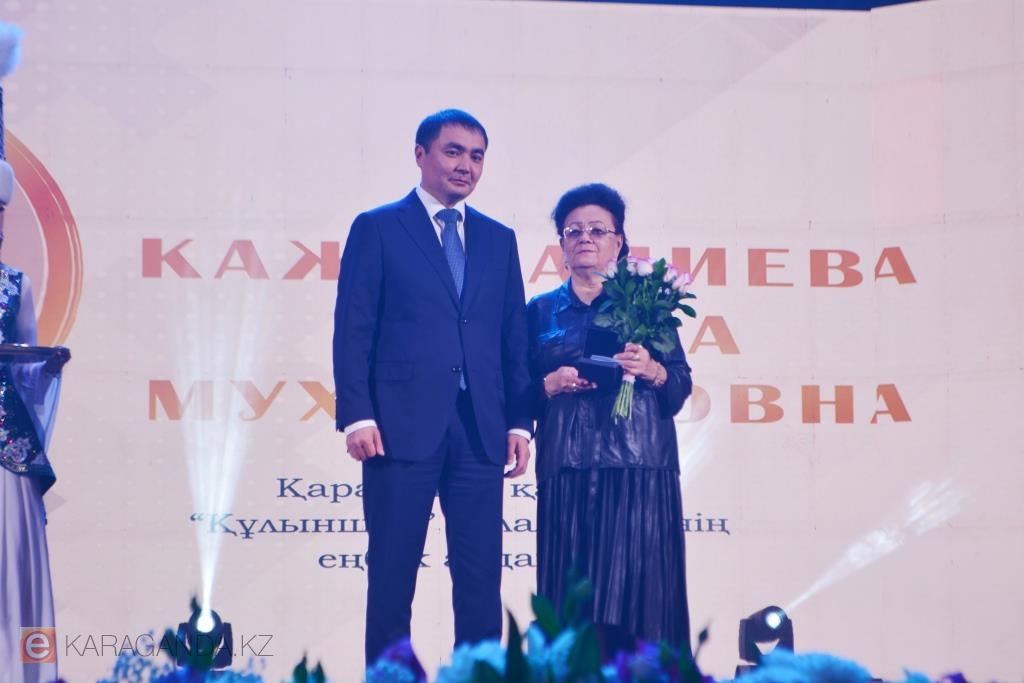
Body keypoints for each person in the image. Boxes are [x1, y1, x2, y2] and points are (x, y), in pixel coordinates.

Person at [333, 109, 533, 665]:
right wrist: (357, 414)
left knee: (480, 580)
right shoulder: (378, 227)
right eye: (453, 151)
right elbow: (353, 326)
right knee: (392, 576)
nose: (466, 165)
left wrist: (520, 422)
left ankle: (479, 676)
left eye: (477, 155)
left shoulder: (498, 239)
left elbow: (513, 335)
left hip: (480, 430)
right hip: (398, 428)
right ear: (420, 155)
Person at [527, 183, 693, 654]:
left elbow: (680, 385)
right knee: (572, 603)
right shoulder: (539, 312)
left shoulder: (649, 305)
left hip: (640, 468)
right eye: (573, 230)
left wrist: (652, 368)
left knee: (644, 601)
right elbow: (514, 394)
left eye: (597, 230)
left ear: (618, 242)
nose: (585, 237)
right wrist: (548, 384)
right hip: (568, 467)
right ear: (561, 245)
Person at [0, 156, 70, 683]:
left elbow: (26, 367)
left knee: (11, 557)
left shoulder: (14, 285)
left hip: (7, 445)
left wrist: (45, 365)